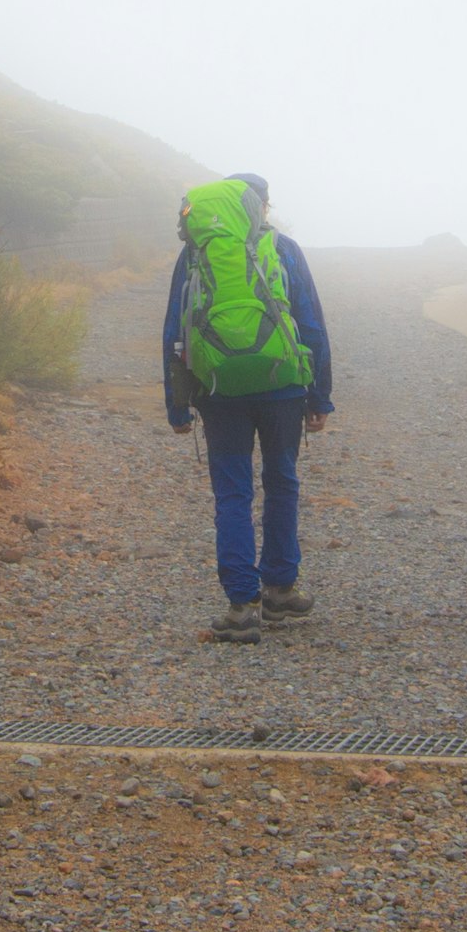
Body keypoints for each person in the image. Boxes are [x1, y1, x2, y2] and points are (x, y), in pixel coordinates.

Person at [163, 173, 336, 643]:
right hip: (282, 387)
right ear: (260, 206)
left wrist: (177, 405)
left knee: (233, 493)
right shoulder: (284, 249)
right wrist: (320, 396)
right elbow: (311, 325)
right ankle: (279, 588)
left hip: (218, 390)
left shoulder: (195, 253)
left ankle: (242, 607)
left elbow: (176, 329)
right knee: (281, 483)